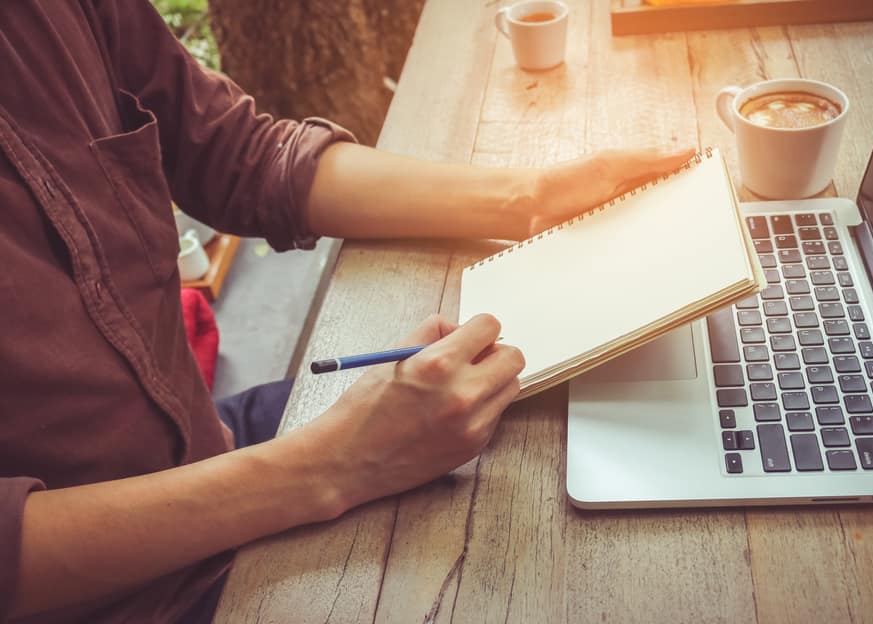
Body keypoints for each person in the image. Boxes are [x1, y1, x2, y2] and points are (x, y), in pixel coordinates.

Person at [0, 2, 693, 622]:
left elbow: (239, 154)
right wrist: (332, 467)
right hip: (139, 596)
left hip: (211, 444)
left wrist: (531, 198)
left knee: (535, 427)